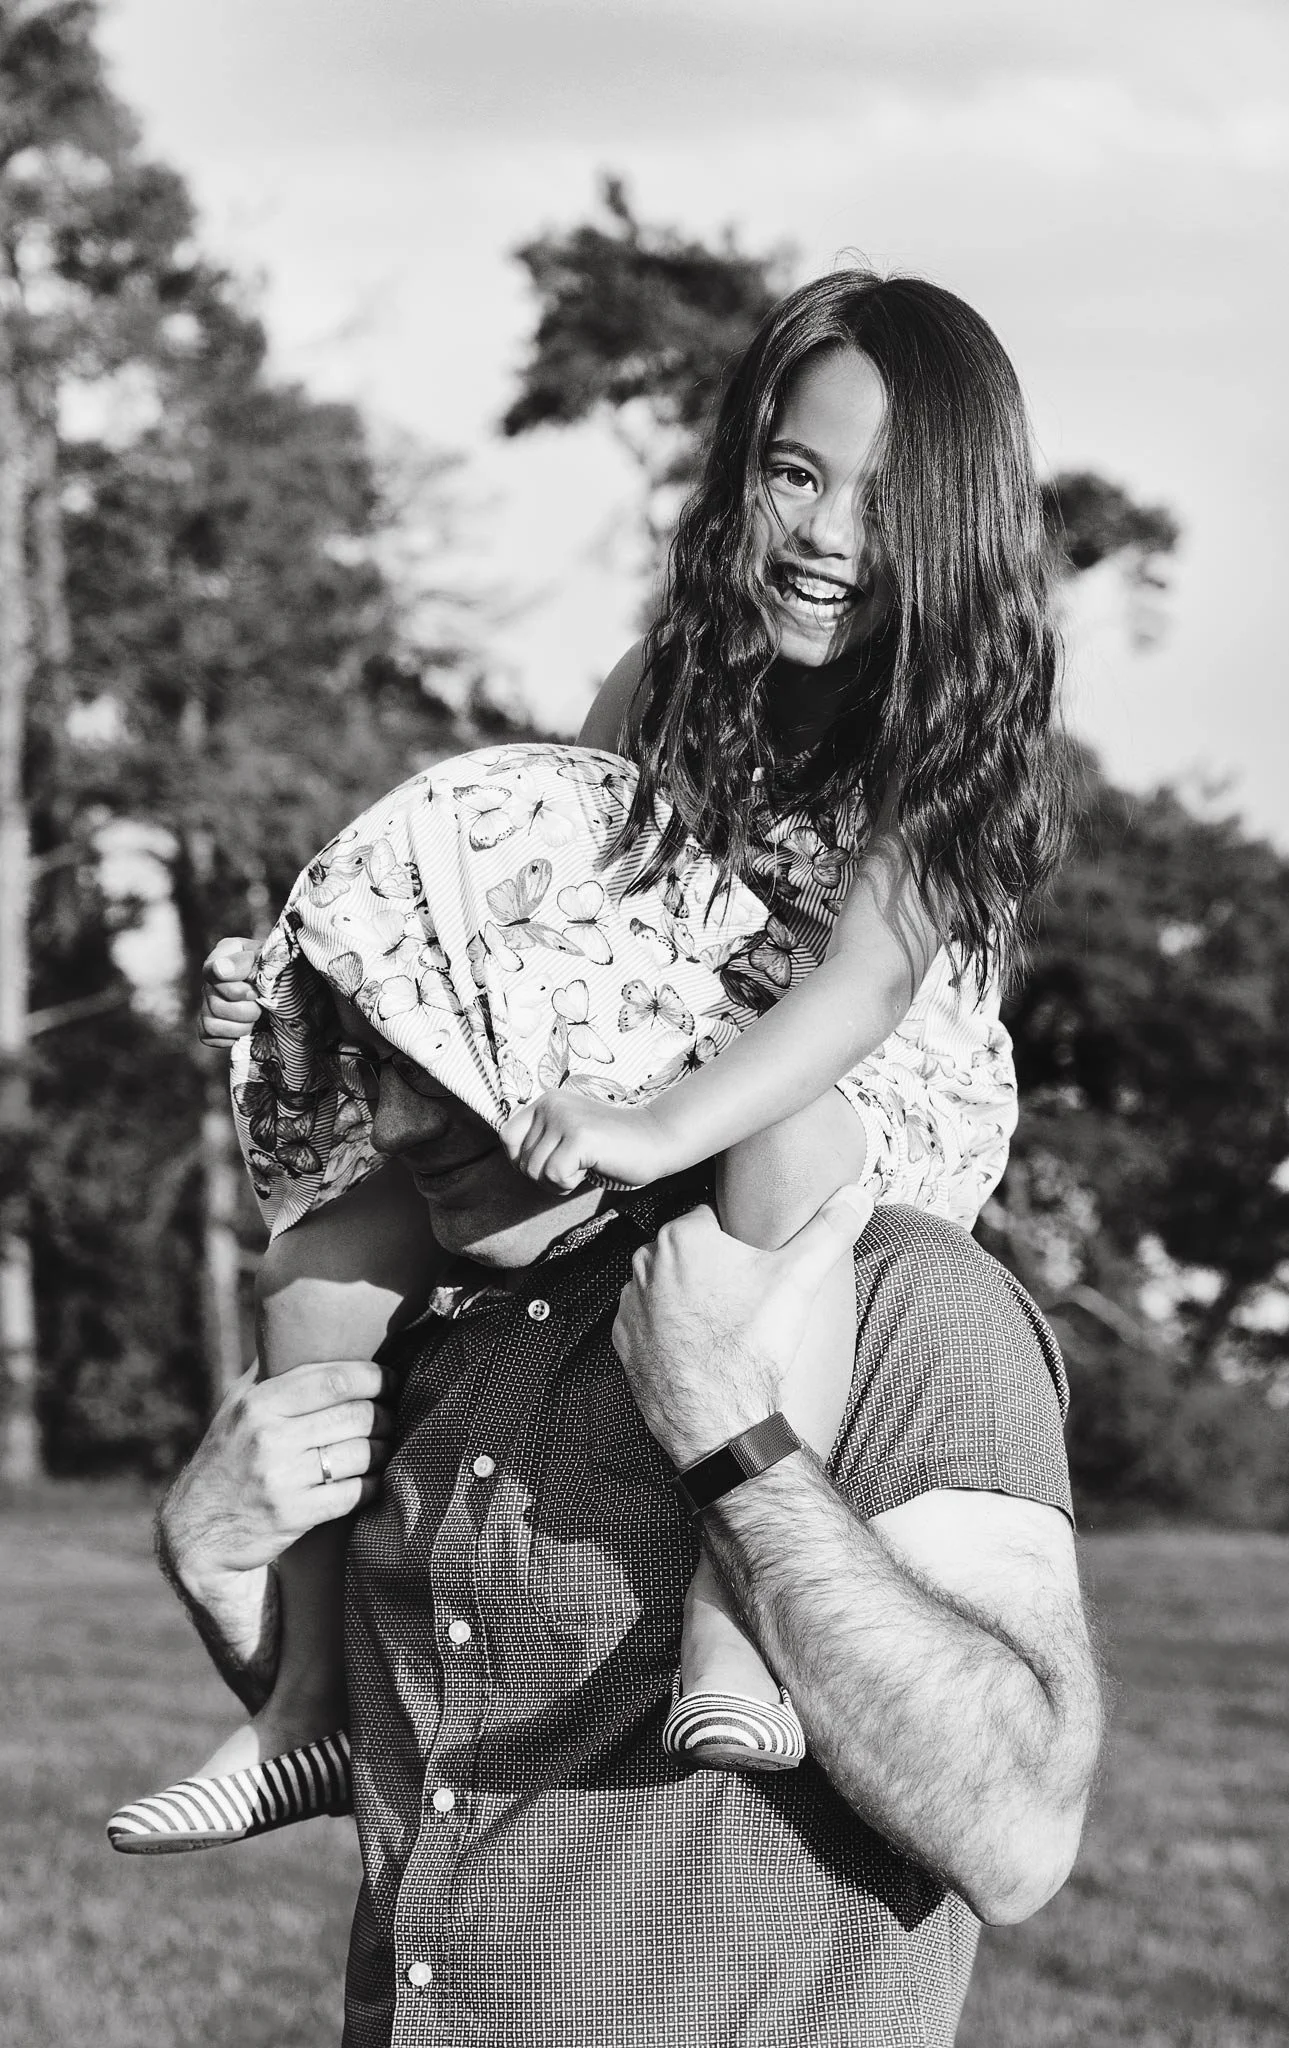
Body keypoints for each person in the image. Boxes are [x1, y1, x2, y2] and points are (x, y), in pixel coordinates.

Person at [108, 268, 1069, 1847]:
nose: (826, 534)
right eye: (793, 474)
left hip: (860, 1092)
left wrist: (655, 1124)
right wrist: (300, 985)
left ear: (957, 525)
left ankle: (736, 1612)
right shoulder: (669, 678)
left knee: (788, 1144)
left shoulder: (947, 722)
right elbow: (555, 891)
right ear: (740, 472)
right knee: (320, 1260)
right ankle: (297, 1715)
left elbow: (860, 995)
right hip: (662, 1046)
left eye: (882, 501)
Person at [150, 1005, 1102, 2048]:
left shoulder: (908, 1291)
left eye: (444, 1052)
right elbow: (416, 1769)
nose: (390, 1122)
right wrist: (214, 1561)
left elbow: (1016, 1834)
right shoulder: (433, 1330)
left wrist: (730, 1436)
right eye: (374, 1065)